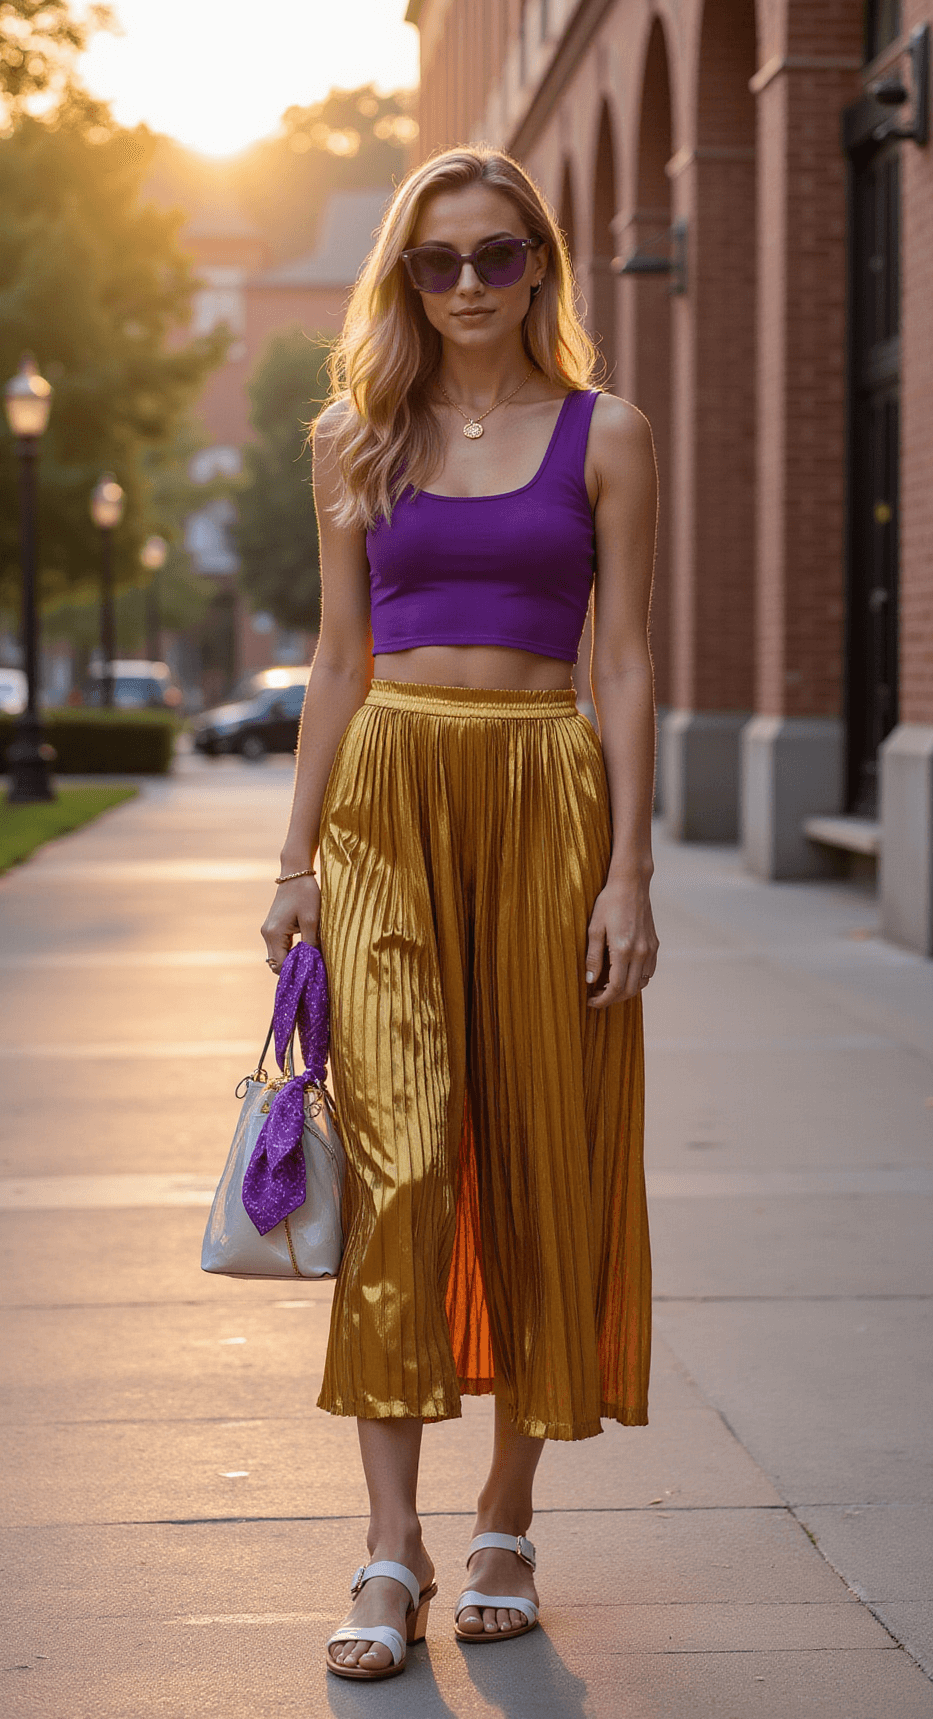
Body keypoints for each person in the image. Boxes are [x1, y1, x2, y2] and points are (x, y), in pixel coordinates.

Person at [260, 145, 659, 1683]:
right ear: (405, 278)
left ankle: (504, 1514)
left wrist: (631, 870)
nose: (473, 285)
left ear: (542, 267)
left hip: (548, 799)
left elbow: (622, 660)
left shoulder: (605, 433)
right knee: (403, 1162)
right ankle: (387, 1542)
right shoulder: (356, 437)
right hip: (385, 810)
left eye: (501, 256)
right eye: (441, 262)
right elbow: (338, 660)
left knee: (537, 1147)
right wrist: (294, 864)